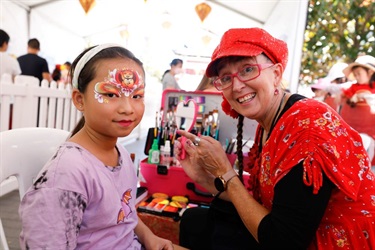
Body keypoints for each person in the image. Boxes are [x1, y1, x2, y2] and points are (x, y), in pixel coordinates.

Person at [174, 28, 375, 249]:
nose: (237, 85)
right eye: (226, 78)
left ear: (277, 74)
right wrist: (206, 180)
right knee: (196, 222)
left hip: (336, 243)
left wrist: (226, 172)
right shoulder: (271, 120)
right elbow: (267, 206)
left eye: (248, 69)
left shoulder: (306, 130)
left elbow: (283, 241)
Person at [18, 44, 175, 249]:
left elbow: (125, 213)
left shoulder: (123, 155)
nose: (128, 108)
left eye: (136, 96)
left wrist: (148, 236)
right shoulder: (66, 175)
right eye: (111, 95)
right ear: (79, 99)